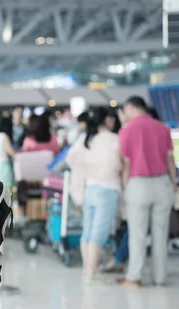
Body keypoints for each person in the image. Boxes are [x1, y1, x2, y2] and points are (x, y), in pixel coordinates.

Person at [117, 96, 176, 287]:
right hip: (163, 183)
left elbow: (126, 163)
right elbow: (170, 160)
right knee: (161, 233)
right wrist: (174, 182)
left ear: (132, 108)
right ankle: (160, 278)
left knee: (138, 233)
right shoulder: (163, 128)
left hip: (138, 183)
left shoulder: (127, 130)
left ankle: (134, 276)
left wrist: (125, 187)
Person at [66, 107, 121, 282]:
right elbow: (120, 164)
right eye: (110, 118)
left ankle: (87, 269)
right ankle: (91, 272)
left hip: (89, 188)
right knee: (100, 231)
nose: (113, 121)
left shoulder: (86, 138)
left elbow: (70, 159)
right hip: (108, 188)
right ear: (106, 120)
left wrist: (86, 168)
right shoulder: (114, 139)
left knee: (88, 230)